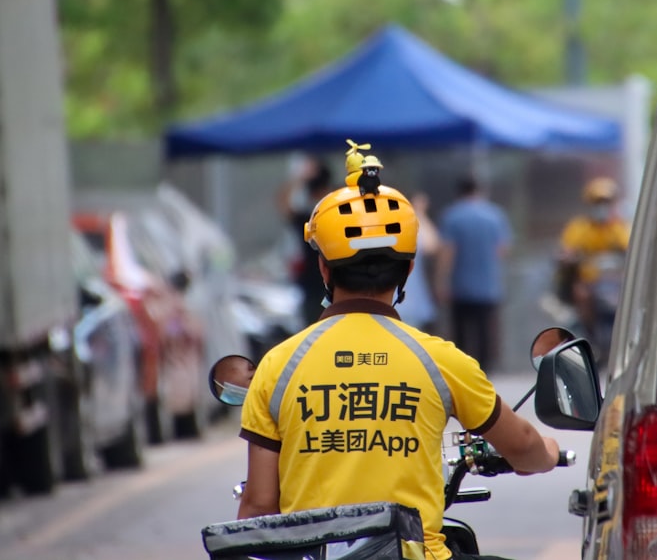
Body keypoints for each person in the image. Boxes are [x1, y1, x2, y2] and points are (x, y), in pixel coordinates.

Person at [238, 145, 560, 560]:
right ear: (408, 269)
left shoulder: (277, 366)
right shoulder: (442, 361)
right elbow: (524, 447)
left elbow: (259, 508)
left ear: (323, 269)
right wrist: (548, 452)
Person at [435, 175, 512, 374]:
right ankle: (486, 368)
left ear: (459, 192)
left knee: (461, 330)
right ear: (478, 191)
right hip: (488, 285)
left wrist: (442, 281)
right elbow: (502, 249)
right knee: (485, 329)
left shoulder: (452, 216)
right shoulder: (495, 214)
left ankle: (463, 369)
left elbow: (448, 252)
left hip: (461, 286)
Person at [555, 177, 630, 357]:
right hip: (589, 282)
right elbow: (567, 251)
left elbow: (631, 248)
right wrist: (569, 257)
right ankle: (590, 333)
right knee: (582, 294)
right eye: (597, 203)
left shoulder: (620, 227)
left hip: (615, 283)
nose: (601, 207)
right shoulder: (579, 228)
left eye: (605, 202)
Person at [277, 156, 333, 325]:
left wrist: (299, 179)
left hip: (311, 284)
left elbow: (283, 203)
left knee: (311, 331)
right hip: (335, 283)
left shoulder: (308, 219)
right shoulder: (336, 217)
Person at [395, 191, 441, 334]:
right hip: (406, 296)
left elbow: (432, 246)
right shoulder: (406, 227)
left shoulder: (409, 228)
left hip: (408, 296)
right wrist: (419, 213)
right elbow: (432, 244)